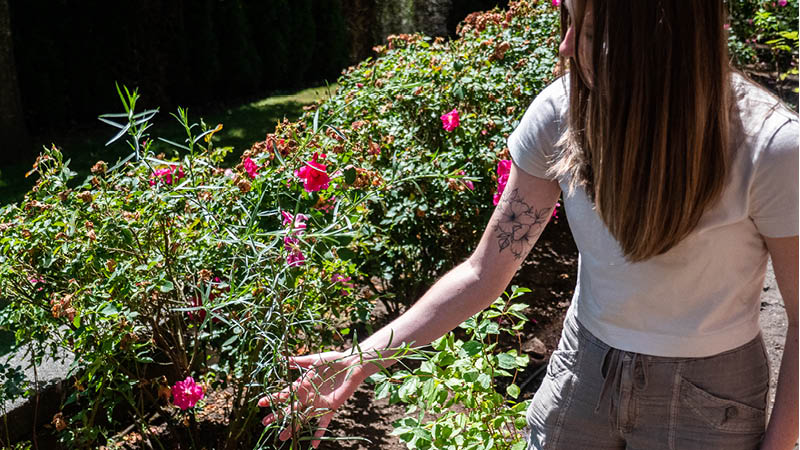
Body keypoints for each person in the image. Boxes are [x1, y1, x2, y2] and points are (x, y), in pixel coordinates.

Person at [260, 0, 799, 448]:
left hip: (707, 397)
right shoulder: (562, 114)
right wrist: (364, 357)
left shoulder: (770, 147)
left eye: (584, 31)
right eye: (565, 23)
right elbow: (484, 271)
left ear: (661, 40)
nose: (563, 48)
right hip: (582, 372)